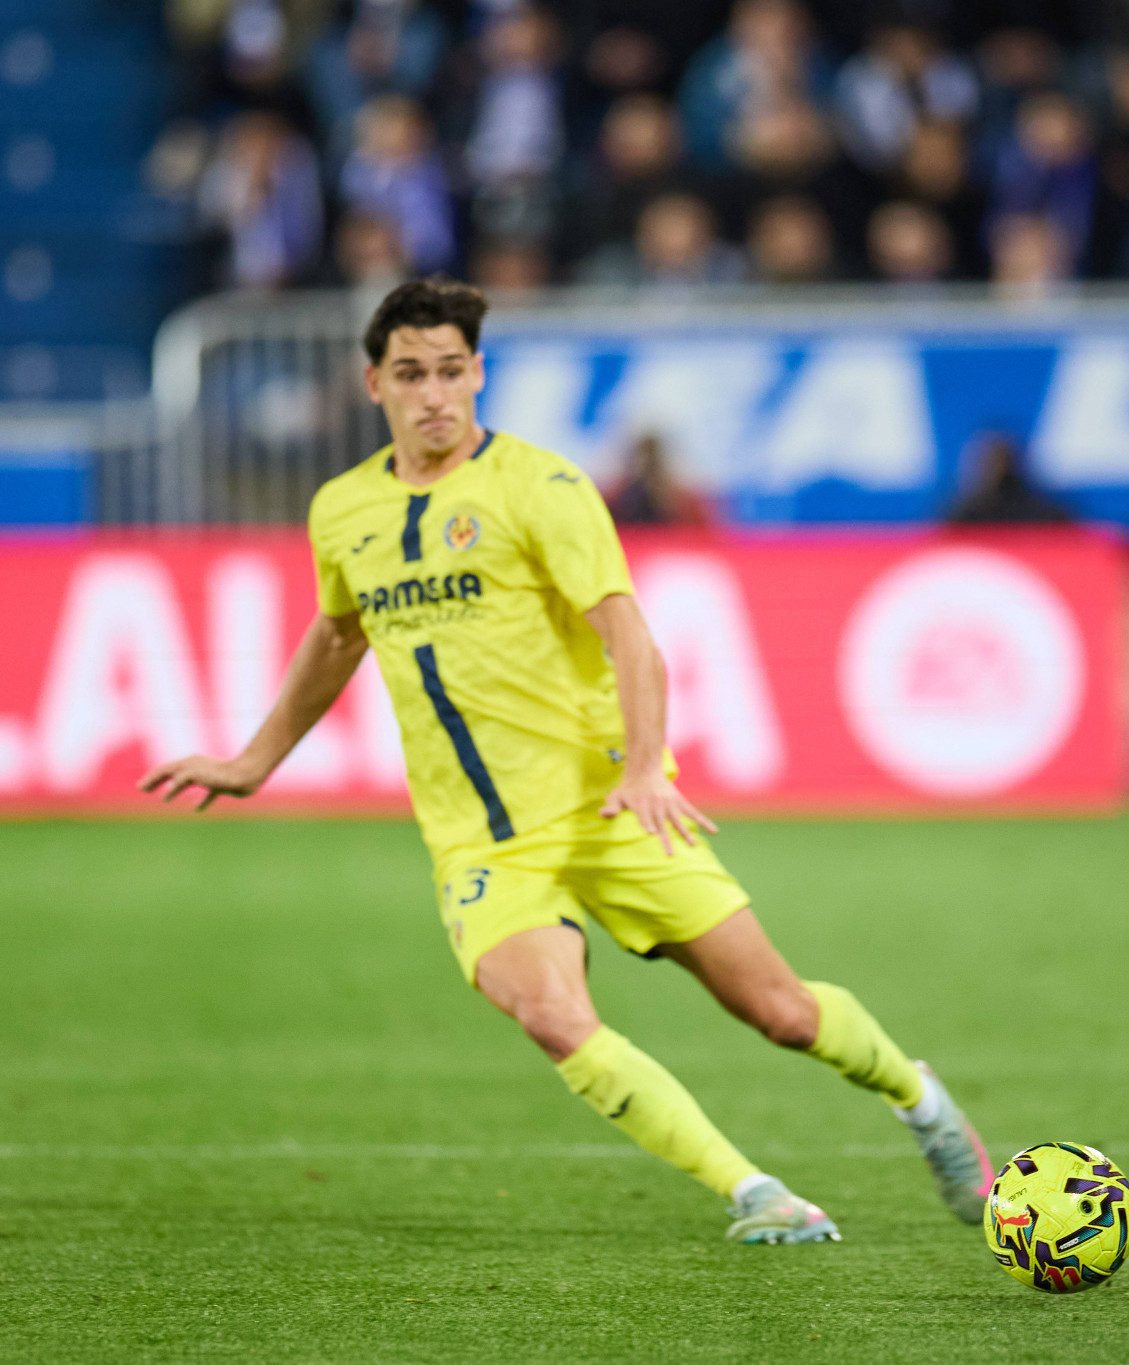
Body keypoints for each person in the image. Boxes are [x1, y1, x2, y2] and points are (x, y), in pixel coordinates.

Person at [139, 277, 993, 1246]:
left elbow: (629, 635)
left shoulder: (540, 487)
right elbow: (339, 635)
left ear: (479, 376)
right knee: (551, 1014)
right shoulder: (343, 510)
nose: (434, 395)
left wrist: (639, 768)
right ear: (372, 383)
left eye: (452, 372)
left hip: (606, 805)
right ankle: (754, 1191)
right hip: (479, 842)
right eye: (411, 374)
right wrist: (255, 759)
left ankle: (922, 1103)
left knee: (782, 1012)